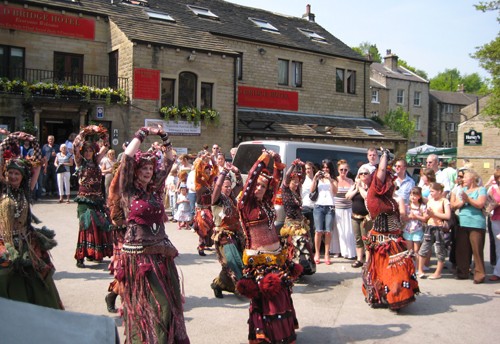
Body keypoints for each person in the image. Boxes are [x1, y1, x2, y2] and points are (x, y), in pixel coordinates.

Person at [112, 125, 190, 343]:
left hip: (162, 254)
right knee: (159, 305)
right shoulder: (128, 190)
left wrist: (165, 137)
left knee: (170, 304)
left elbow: (170, 159)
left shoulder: (154, 189)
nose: (147, 172)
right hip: (140, 256)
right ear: (136, 171)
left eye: (150, 169)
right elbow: (127, 157)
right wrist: (143, 132)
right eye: (143, 168)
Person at [236, 150, 302, 344]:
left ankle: (282, 335)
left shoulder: (266, 203)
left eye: (263, 186)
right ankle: (266, 336)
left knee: (282, 295)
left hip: (277, 257)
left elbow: (277, 180)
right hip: (258, 258)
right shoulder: (245, 204)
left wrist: (278, 161)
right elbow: (250, 180)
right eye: (257, 185)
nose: (259, 188)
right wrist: (264, 159)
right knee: (267, 299)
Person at [0, 131, 63, 309]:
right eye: (10, 173)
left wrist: (34, 141)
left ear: (22, 178)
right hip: (4, 242)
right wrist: (10, 140)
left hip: (26, 241)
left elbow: (36, 163)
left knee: (35, 279)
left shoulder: (27, 189)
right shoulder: (2, 190)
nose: (13, 177)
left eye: (16, 174)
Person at [361, 148, 419, 310]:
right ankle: (386, 296)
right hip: (382, 240)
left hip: (394, 238)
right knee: (386, 270)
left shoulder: (390, 199)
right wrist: (384, 156)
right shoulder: (374, 194)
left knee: (395, 269)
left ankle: (394, 296)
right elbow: (380, 172)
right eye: (389, 181)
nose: (392, 184)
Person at [73, 125, 113, 268]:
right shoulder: (80, 162)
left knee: (98, 224)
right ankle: (80, 257)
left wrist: (102, 132)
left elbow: (106, 145)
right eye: (87, 150)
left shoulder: (96, 161)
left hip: (97, 198)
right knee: (86, 225)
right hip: (84, 199)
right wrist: (85, 130)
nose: (89, 153)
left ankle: (92, 253)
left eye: (91, 150)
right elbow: (75, 145)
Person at [210, 162, 245, 298]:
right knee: (233, 261)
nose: (229, 189)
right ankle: (240, 288)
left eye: (230, 186)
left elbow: (241, 186)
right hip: (224, 236)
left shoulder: (231, 197)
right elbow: (218, 185)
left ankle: (218, 284)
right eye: (226, 186)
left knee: (232, 262)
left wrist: (236, 172)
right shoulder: (216, 199)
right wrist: (224, 171)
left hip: (236, 234)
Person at [280, 159, 316, 275]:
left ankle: (302, 269)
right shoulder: (286, 191)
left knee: (305, 246)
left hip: (301, 223)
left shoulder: (297, 191)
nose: (296, 184)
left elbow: (303, 179)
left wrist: (302, 168)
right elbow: (286, 176)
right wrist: (293, 165)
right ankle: (293, 269)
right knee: (294, 247)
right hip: (291, 225)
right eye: (293, 182)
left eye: (297, 182)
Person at [455, 169, 487, 284]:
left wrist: (468, 199)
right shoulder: (462, 190)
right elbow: (456, 204)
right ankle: (463, 272)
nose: (463, 179)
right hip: (463, 222)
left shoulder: (481, 189)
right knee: (462, 249)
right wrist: (462, 202)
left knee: (477, 250)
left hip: (476, 224)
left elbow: (480, 204)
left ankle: (480, 274)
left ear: (472, 178)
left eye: (465, 177)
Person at [417, 183, 451, 280]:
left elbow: (447, 216)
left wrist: (434, 214)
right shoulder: (430, 201)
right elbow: (427, 216)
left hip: (439, 228)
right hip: (430, 227)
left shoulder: (444, 201)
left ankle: (438, 272)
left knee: (439, 250)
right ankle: (420, 270)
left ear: (439, 192)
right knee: (423, 249)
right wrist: (427, 215)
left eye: (432, 191)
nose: (430, 193)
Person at [311, 159, 338, 264]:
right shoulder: (318, 179)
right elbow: (312, 190)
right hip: (318, 207)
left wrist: (330, 180)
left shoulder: (334, 179)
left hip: (330, 207)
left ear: (330, 169)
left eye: (327, 167)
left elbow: (335, 192)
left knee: (328, 232)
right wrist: (315, 178)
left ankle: (327, 254)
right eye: (324, 167)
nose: (325, 169)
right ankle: (317, 253)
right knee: (318, 231)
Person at [345, 166, 372, 268]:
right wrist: (356, 188)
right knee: (358, 238)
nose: (363, 175)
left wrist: (360, 187)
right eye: (361, 173)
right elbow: (347, 196)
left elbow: (367, 197)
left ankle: (368, 260)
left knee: (366, 239)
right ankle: (359, 259)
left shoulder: (370, 186)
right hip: (355, 217)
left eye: (365, 173)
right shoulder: (355, 186)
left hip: (366, 218)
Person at [193, 151, 218, 256]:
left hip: (210, 209)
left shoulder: (209, 182)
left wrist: (212, 159)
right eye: (206, 172)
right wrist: (202, 159)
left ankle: (207, 244)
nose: (208, 174)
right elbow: (198, 170)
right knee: (202, 229)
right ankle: (201, 247)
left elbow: (216, 171)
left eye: (209, 172)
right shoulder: (199, 182)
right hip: (201, 210)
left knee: (211, 228)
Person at [334, 159, 356, 260]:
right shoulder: (335, 180)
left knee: (348, 231)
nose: (343, 172)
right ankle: (337, 251)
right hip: (337, 210)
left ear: (348, 170)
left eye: (345, 170)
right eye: (341, 170)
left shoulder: (351, 181)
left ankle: (348, 251)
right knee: (339, 231)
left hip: (348, 209)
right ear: (338, 170)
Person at [402, 187, 427, 274]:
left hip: (417, 230)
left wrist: (416, 217)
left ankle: (417, 267)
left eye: (415, 195)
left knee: (416, 250)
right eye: (411, 195)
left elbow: (425, 218)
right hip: (408, 230)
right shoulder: (407, 206)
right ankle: (410, 266)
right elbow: (403, 217)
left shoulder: (422, 206)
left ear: (419, 196)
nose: (413, 197)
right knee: (410, 250)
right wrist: (409, 217)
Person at [301, 161, 317, 250]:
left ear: (312, 169)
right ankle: (304, 247)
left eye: (309, 168)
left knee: (313, 229)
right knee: (304, 228)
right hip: (305, 206)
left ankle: (312, 248)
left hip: (315, 207)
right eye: (306, 169)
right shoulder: (303, 180)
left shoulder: (317, 180)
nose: (308, 170)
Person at [488, 170, 500, 281]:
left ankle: (497, 272)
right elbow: (488, 206)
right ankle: (497, 271)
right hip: (496, 219)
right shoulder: (492, 190)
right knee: (498, 247)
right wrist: (494, 205)